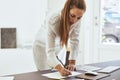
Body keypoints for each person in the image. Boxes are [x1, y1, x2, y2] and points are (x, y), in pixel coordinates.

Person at [33, 0, 86, 76]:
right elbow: (50, 52)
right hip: (41, 46)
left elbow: (75, 40)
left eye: (79, 17)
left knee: (57, 73)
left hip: (57, 44)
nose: (75, 21)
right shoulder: (53, 19)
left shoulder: (77, 18)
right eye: (72, 16)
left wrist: (72, 62)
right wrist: (60, 68)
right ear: (66, 10)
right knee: (45, 74)